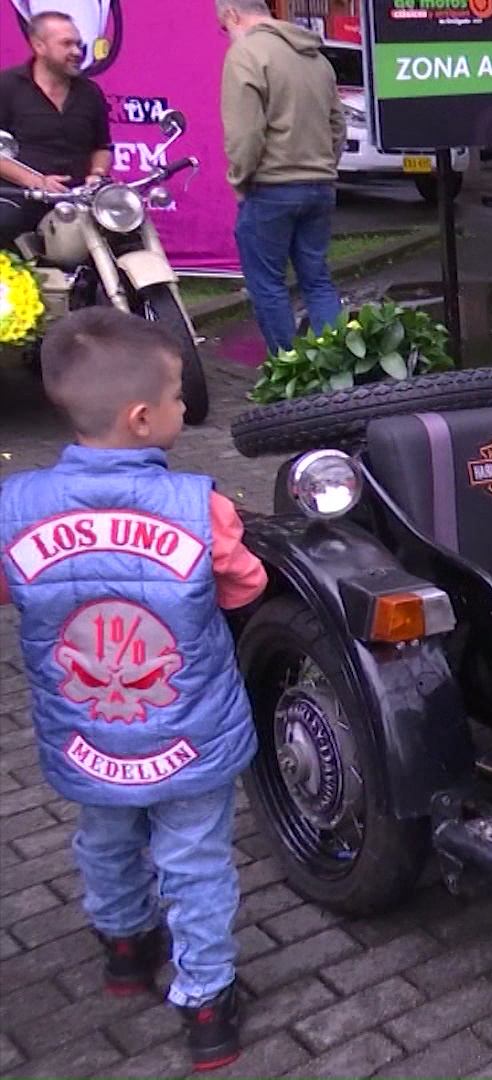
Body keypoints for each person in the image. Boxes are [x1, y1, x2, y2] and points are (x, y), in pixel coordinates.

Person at [0, 308, 268, 1072]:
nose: (189, 410)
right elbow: (245, 589)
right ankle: (208, 1004)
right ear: (144, 417)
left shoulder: (15, 506)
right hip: (187, 731)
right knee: (195, 863)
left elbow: (11, 586)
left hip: (87, 731)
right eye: (184, 397)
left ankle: (123, 951)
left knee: (105, 839)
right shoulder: (198, 506)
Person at [217, 0, 345, 358]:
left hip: (270, 187)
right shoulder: (316, 58)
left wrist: (240, 180)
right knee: (318, 282)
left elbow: (245, 134)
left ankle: (291, 373)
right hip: (319, 186)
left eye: (223, 27)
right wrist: (324, 167)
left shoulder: (246, 54)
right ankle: (339, 368)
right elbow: (338, 126)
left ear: (231, 14)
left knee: (268, 286)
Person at [0, 12, 111, 250]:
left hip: (80, 201)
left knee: (128, 231)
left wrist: (98, 174)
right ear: (39, 46)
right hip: (21, 197)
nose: (77, 52)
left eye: (78, 44)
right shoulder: (6, 86)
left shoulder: (90, 92)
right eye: (66, 44)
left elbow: (102, 147)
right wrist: (35, 181)